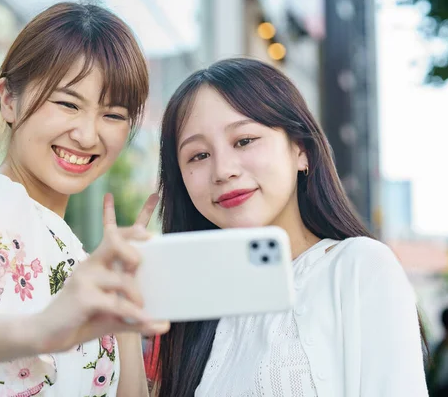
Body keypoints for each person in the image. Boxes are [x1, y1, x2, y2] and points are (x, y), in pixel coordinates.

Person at [0, 2, 168, 397]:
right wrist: (40, 330)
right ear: (9, 99)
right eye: (67, 104)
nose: (88, 135)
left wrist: (124, 312)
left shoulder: (70, 250)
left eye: (112, 115)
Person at [149, 58, 428, 396]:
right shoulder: (195, 308)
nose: (223, 170)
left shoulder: (358, 266)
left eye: (244, 140)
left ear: (301, 150)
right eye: (198, 156)